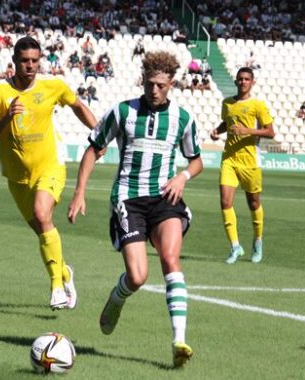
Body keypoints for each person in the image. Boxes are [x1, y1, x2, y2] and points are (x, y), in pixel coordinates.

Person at [67, 50, 202, 369]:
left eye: (160, 85)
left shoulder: (183, 118)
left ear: (171, 83)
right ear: (143, 80)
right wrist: (79, 192)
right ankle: (117, 298)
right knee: (138, 276)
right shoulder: (123, 112)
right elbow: (93, 150)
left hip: (165, 199)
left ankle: (178, 341)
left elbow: (195, 161)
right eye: (149, 84)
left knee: (170, 258)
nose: (154, 90)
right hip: (129, 199)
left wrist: (182, 177)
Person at [0, 36, 99, 310]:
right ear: (14, 62)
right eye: (24, 61)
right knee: (42, 228)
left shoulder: (53, 86)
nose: (30, 65)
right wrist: (7, 117)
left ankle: (57, 288)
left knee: (42, 214)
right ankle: (65, 273)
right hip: (17, 176)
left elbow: (78, 106)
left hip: (51, 166)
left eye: (34, 60)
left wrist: (99, 135)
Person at [210, 67, 275, 264]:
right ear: (236, 81)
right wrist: (217, 131)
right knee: (225, 202)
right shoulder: (227, 103)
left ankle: (257, 241)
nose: (243, 82)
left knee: (253, 203)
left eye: (247, 79)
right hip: (229, 158)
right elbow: (227, 124)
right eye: (240, 79)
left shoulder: (258, 105)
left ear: (252, 82)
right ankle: (235, 246)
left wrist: (246, 130)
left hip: (250, 161)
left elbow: (270, 132)